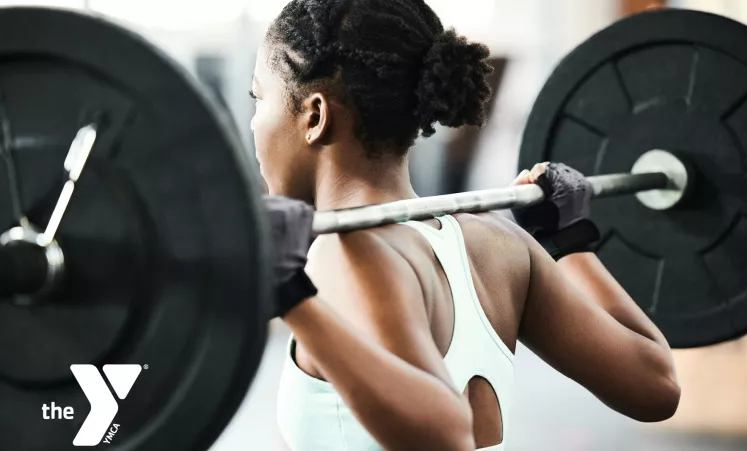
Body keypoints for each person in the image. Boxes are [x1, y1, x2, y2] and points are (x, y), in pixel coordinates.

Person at [254, 1, 681, 450]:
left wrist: (291, 296)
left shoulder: (345, 252)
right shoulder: (500, 243)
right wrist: (570, 238)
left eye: (258, 99)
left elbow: (447, 436)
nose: (253, 124)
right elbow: (655, 383)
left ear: (315, 116)